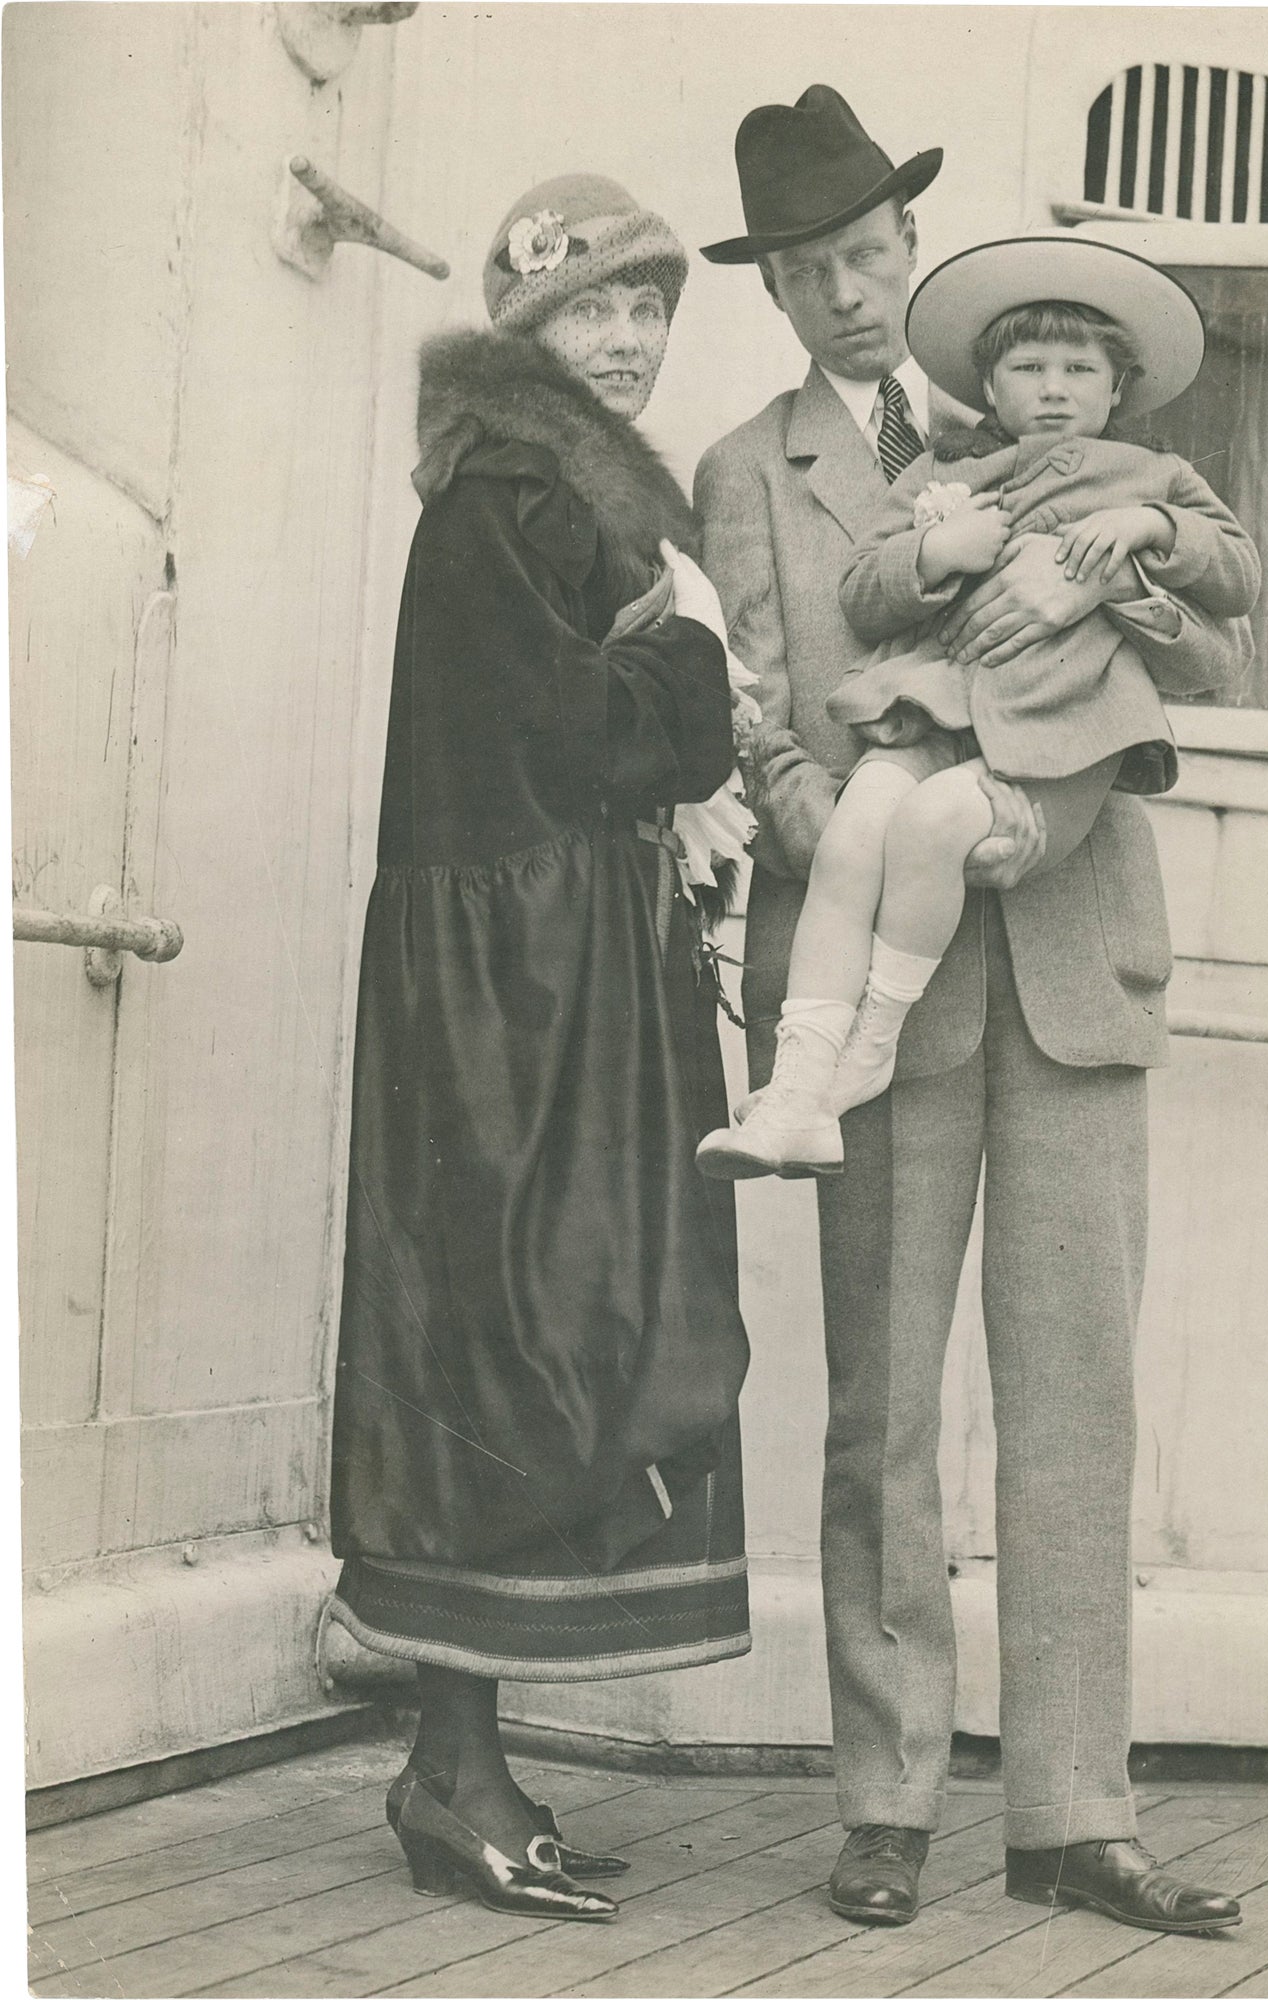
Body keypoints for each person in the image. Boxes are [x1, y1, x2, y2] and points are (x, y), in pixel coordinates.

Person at [696, 85, 1248, 1934]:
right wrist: (861, 826)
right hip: (883, 993)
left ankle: (1075, 1811)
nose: (846, 294)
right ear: (769, 294)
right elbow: (757, 716)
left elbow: (1195, 647)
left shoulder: (1044, 425)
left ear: (909, 258)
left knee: (1073, 1400)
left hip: (1077, 965)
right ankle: (885, 1800)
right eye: (805, 272)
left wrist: (1126, 599)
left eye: (867, 256)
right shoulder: (746, 468)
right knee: (879, 1414)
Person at [327, 174, 753, 1924]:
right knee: (501, 1343)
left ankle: (463, 1763)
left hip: (559, 959)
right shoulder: (510, 493)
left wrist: (672, 684)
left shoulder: (560, 497)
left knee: (553, 1336)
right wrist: (692, 682)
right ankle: (452, 1769)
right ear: (528, 335)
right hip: (507, 987)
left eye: (651, 307)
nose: (632, 336)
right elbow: (591, 729)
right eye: (594, 311)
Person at [698, 238, 1259, 1176]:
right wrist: (936, 551)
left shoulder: (1151, 477)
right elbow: (845, 603)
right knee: (868, 824)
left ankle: (867, 1042)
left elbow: (1231, 596)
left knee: (1065, 1298)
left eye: (1079, 370)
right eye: (1028, 369)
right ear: (989, 388)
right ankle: (804, 1086)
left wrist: (1133, 552)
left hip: (1065, 762)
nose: (1053, 389)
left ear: (1118, 387)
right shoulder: (944, 470)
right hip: (936, 723)